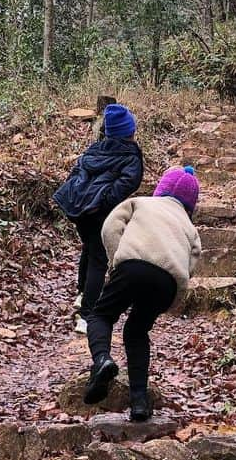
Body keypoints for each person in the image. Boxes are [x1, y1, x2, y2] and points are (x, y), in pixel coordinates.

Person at [83, 166, 202, 421]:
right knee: (136, 331)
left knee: (101, 316)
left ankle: (102, 360)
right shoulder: (189, 227)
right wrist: (174, 295)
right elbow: (193, 260)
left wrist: (117, 261)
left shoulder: (141, 203)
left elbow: (110, 228)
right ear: (191, 204)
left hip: (132, 265)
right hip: (168, 282)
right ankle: (139, 402)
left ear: (162, 189)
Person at [53, 104, 143, 333]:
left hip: (78, 208)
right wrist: (105, 202)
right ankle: (86, 315)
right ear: (129, 132)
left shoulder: (95, 149)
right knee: (98, 259)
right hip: (98, 211)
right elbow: (129, 182)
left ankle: (82, 292)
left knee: (89, 248)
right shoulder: (130, 155)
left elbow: (76, 172)